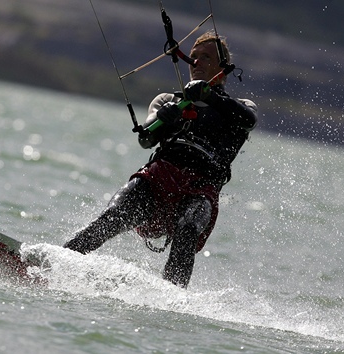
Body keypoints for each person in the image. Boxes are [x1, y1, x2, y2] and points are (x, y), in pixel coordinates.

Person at [63, 31, 258, 288]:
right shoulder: (168, 101)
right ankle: (57, 262)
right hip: (159, 177)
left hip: (201, 189)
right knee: (113, 215)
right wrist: (162, 119)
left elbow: (248, 120)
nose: (196, 62)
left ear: (222, 67)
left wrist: (208, 95)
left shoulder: (241, 106)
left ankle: (172, 295)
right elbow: (146, 139)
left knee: (188, 229)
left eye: (205, 57)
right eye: (194, 57)